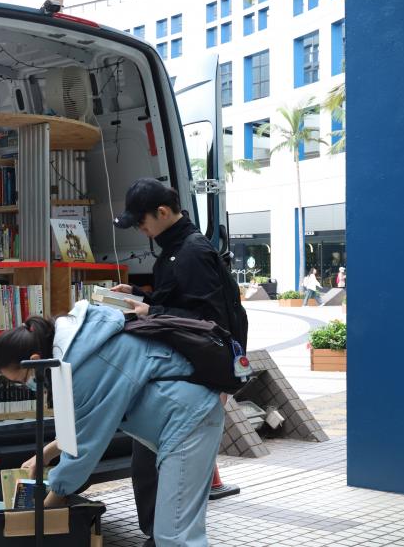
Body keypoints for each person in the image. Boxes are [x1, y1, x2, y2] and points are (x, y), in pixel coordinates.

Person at [0, 311, 223, 547]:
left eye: (23, 380)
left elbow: (83, 448)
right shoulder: (77, 348)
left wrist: (41, 512)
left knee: (175, 537)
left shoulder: (82, 368)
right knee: (173, 533)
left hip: (188, 421)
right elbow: (87, 422)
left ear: (35, 358)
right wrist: (45, 455)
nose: (29, 387)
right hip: (182, 420)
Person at [110, 177, 242, 545]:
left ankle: (162, 536)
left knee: (161, 470)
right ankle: (158, 535)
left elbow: (204, 320)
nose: (140, 229)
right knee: (149, 467)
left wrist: (150, 307)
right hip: (174, 375)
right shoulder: (175, 249)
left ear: (163, 212)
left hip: (190, 379)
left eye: (141, 222)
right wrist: (137, 294)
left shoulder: (192, 252)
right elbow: (180, 301)